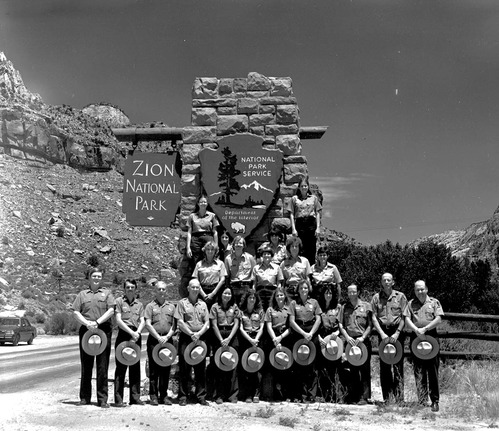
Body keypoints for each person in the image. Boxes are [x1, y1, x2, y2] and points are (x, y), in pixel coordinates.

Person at [72, 267, 114, 407]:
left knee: (103, 365)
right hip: (87, 330)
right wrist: (87, 323)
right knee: (86, 365)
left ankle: (102, 400)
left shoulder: (107, 293)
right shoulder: (82, 295)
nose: (96, 278)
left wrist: (97, 322)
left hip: (103, 329)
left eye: (99, 276)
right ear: (89, 278)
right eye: (94, 276)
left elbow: (111, 310)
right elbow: (76, 312)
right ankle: (85, 398)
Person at [404, 280, 444, 412]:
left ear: (426, 289)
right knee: (418, 369)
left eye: (422, 289)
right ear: (414, 291)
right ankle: (421, 399)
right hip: (416, 336)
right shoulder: (410, 303)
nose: (419, 292)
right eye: (417, 290)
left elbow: (438, 318)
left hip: (431, 335)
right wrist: (416, 329)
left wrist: (425, 328)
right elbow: (407, 318)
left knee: (432, 370)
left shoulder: (434, 302)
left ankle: (435, 400)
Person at [371, 272, 408, 403]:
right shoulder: (376, 298)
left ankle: (399, 398)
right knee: (385, 365)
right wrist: (381, 333)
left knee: (398, 365)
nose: (386, 282)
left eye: (389, 280)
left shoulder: (400, 297)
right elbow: (374, 317)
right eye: (384, 280)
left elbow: (405, 316)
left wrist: (398, 332)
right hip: (383, 333)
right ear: (381, 282)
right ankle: (387, 398)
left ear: (393, 282)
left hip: (397, 332)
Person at [175, 279, 210, 406]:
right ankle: (183, 396)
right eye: (193, 287)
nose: (195, 290)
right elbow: (179, 321)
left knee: (201, 369)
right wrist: (191, 334)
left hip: (200, 339)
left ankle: (200, 396)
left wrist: (199, 334)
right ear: (188, 288)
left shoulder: (203, 305)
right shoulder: (182, 303)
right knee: (185, 368)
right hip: (186, 337)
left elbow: (207, 323)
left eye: (197, 287)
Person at [289, 279, 322, 403]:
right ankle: (299, 394)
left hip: (311, 332)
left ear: (309, 290)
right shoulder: (293, 303)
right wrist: (303, 333)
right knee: (298, 364)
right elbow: (291, 321)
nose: (304, 290)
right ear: (298, 290)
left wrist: (311, 333)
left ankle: (311, 394)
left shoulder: (314, 302)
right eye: (301, 288)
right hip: (298, 332)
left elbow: (318, 319)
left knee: (312, 365)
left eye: (306, 288)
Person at [339, 284, 373, 405]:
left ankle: (364, 397)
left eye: (354, 291)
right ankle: (354, 396)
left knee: (364, 369)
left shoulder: (366, 306)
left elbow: (370, 324)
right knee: (353, 369)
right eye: (349, 292)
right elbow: (341, 325)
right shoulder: (344, 307)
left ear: (358, 292)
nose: (351, 294)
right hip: (350, 341)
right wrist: (347, 337)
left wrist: (364, 337)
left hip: (362, 340)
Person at [144, 280, 176, 406]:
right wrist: (158, 337)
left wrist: (168, 336)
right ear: (155, 291)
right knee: (153, 370)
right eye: (159, 289)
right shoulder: (150, 306)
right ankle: (153, 396)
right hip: (154, 340)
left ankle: (164, 396)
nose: (161, 291)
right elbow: (147, 323)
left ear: (166, 291)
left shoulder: (172, 307)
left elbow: (175, 324)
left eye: (163, 289)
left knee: (166, 369)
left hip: (168, 340)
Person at [114, 279, 145, 407]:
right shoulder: (119, 302)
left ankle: (135, 397)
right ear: (124, 289)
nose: (130, 289)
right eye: (128, 287)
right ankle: (118, 399)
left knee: (135, 367)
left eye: (132, 287)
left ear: (136, 289)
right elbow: (118, 320)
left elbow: (142, 320)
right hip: (124, 334)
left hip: (136, 334)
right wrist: (131, 333)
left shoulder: (140, 304)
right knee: (121, 368)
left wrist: (137, 332)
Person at [209, 286, 240, 404]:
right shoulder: (215, 307)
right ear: (221, 294)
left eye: (229, 294)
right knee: (219, 366)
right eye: (225, 293)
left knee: (232, 365)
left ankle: (232, 395)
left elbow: (236, 324)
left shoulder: (235, 307)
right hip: (219, 336)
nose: (227, 296)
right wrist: (222, 339)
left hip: (231, 336)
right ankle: (219, 395)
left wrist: (229, 338)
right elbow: (214, 325)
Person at [264, 287, 293, 401]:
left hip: (285, 337)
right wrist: (275, 339)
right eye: (277, 296)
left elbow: (291, 327)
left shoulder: (289, 309)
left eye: (281, 295)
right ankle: (274, 394)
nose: (279, 297)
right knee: (274, 365)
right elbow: (268, 326)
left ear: (285, 296)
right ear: (274, 298)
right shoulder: (270, 310)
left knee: (286, 365)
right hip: (274, 338)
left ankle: (286, 394)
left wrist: (280, 338)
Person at [317, 285, 343, 403]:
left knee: (335, 369)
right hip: (322, 340)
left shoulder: (338, 307)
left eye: (330, 293)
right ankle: (323, 395)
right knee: (322, 369)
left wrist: (337, 333)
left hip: (334, 340)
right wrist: (318, 337)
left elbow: (341, 323)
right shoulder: (318, 306)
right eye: (326, 293)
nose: (328, 295)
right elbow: (315, 323)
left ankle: (335, 395)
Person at [238, 290, 265, 403]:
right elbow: (240, 328)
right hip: (245, 339)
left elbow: (262, 327)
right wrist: (249, 339)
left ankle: (256, 394)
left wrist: (256, 339)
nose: (252, 300)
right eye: (250, 298)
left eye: (254, 298)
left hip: (257, 340)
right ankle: (247, 394)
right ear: (246, 299)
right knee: (246, 367)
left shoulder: (260, 312)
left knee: (257, 367)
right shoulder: (241, 312)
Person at [289, 176, 322, 263]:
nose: (304, 188)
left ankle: (310, 269)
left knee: (311, 248)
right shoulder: (294, 199)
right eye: (302, 186)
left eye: (305, 186)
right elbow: (291, 214)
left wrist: (318, 227)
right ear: (299, 187)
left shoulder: (313, 198)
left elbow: (318, 212)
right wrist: (293, 228)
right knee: (300, 246)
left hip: (311, 223)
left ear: (308, 187)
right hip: (300, 223)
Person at [186, 195, 219, 272]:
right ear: (198, 203)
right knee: (196, 259)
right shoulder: (192, 216)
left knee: (209, 258)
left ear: (207, 204)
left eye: (205, 202)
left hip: (208, 238)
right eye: (201, 202)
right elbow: (189, 232)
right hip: (195, 239)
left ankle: (208, 278)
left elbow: (215, 232)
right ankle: (196, 279)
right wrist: (188, 247)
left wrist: (216, 245)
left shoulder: (212, 216)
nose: (203, 203)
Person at [192, 241, 227, 308]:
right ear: (204, 251)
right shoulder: (199, 264)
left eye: (212, 249)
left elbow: (222, 280)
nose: (210, 251)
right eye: (208, 249)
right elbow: (196, 281)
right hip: (201, 290)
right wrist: (203, 295)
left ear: (215, 251)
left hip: (216, 291)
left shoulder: (220, 263)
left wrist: (213, 293)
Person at [225, 236, 256, 306]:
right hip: (233, 286)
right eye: (236, 243)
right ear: (233, 245)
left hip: (246, 286)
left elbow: (254, 274)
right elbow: (227, 275)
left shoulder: (250, 258)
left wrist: (253, 287)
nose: (238, 245)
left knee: (244, 308)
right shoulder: (228, 259)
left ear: (244, 246)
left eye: (240, 243)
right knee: (233, 308)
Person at [252, 244, 283, 310]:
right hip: (260, 292)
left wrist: (278, 293)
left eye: (268, 254)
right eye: (264, 254)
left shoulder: (277, 267)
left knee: (271, 310)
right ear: (262, 256)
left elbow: (279, 283)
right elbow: (254, 283)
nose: (266, 255)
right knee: (260, 310)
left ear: (271, 256)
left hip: (272, 292)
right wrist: (253, 293)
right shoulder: (256, 268)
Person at [280, 236, 312, 302]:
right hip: (288, 291)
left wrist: (309, 290)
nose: (294, 248)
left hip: (301, 289)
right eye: (292, 246)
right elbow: (282, 281)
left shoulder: (305, 261)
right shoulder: (283, 263)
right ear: (289, 248)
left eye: (296, 246)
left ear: (299, 248)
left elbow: (307, 278)